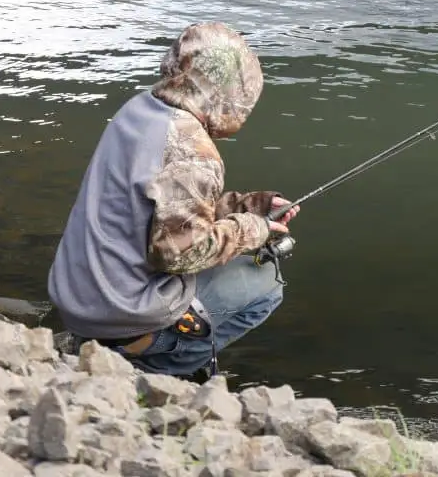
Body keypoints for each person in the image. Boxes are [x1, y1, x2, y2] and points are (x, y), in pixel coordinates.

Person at [47, 21, 299, 381]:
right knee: (266, 285)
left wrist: (250, 205)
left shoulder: (138, 109)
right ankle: (156, 368)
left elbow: (158, 208)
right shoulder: (193, 151)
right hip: (118, 315)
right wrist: (252, 230)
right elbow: (179, 254)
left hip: (75, 300)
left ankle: (100, 342)